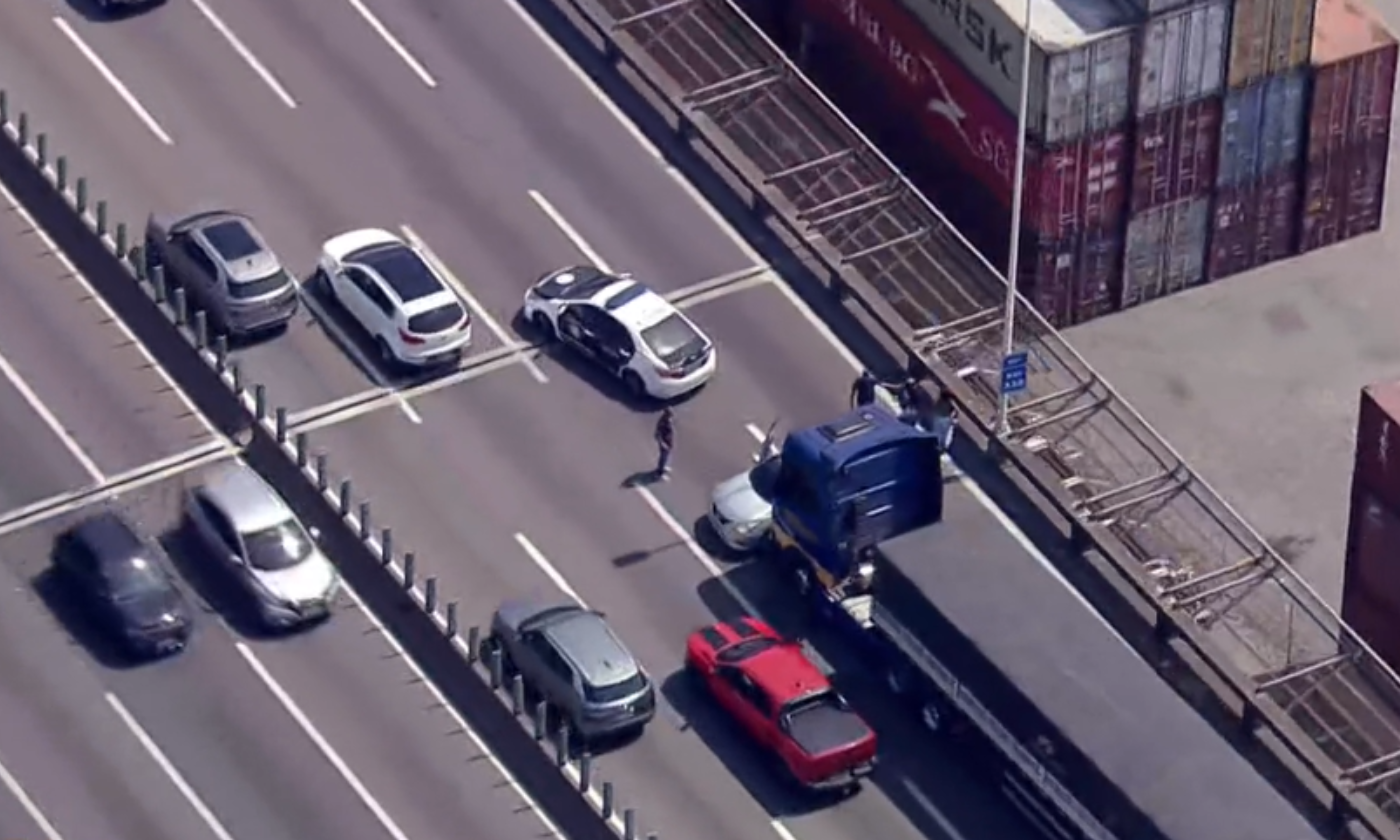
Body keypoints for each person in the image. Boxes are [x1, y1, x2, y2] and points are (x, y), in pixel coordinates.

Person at [654, 406, 676, 479]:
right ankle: (659, 472)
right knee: (663, 457)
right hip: (664, 443)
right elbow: (658, 434)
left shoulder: (668, 420)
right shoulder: (663, 422)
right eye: (670, 414)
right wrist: (662, 443)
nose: (672, 415)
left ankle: (663, 467)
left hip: (668, 442)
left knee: (666, 456)